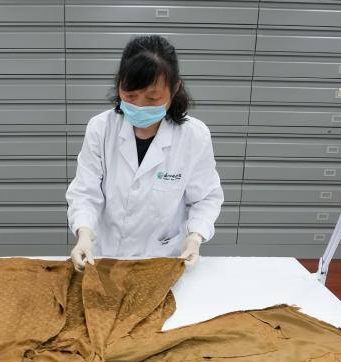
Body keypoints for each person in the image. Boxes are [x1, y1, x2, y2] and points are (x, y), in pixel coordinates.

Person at [66, 35, 223, 271]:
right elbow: (85, 193)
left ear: (175, 87)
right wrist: (85, 234)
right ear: (120, 85)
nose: (139, 106)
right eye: (130, 96)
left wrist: (195, 237)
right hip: (106, 258)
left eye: (152, 98)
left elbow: (206, 198)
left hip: (163, 259)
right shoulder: (101, 128)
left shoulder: (194, 136)